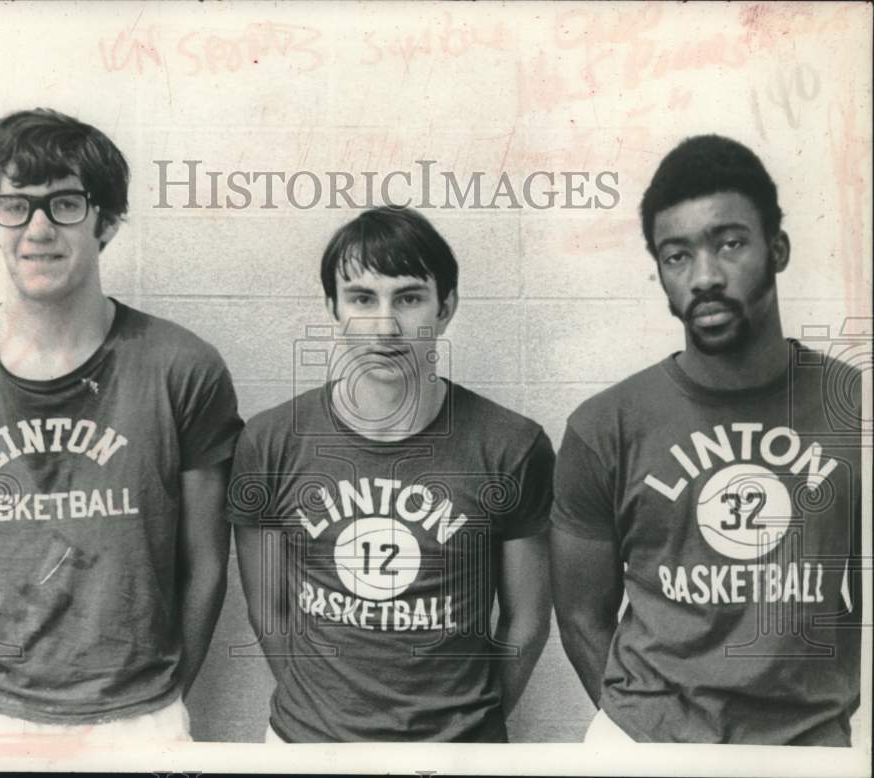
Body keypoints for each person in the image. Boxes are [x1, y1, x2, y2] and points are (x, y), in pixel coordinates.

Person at [0, 108, 242, 739]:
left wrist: (161, 700)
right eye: (15, 205)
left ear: (108, 222)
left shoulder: (182, 367)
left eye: (64, 203)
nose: (38, 228)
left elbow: (207, 566)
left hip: (133, 716)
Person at [550, 134, 862, 745]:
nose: (705, 277)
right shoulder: (603, 426)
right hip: (646, 745)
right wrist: (639, 738)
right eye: (678, 256)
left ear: (778, 247)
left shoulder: (856, 408)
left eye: (730, 243)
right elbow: (581, 614)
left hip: (808, 747)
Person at [226, 207, 555, 742]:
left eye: (408, 298)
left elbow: (528, 621)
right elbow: (268, 607)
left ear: (445, 308)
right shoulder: (270, 442)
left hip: (458, 752)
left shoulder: (511, 445)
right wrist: (324, 723)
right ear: (332, 307)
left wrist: (469, 725)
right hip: (307, 747)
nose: (385, 325)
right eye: (362, 298)